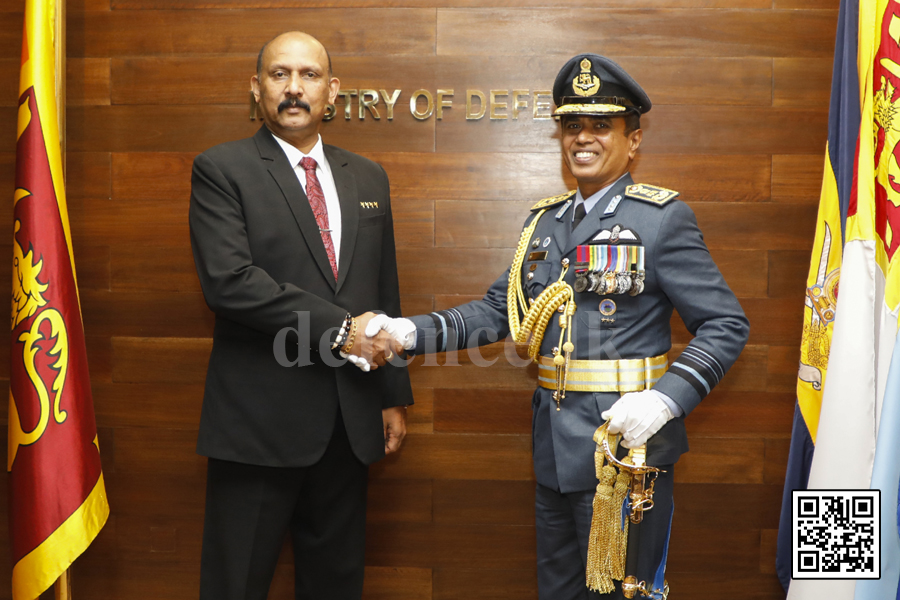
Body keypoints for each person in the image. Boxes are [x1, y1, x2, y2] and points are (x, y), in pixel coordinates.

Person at [366, 54, 749, 599]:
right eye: (572, 126)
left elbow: (725, 324)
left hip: (624, 450)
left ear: (633, 140)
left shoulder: (660, 219)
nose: (583, 138)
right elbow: (501, 311)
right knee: (559, 592)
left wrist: (665, 401)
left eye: (600, 125)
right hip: (553, 450)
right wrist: (406, 333)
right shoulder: (544, 223)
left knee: (622, 593)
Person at [188, 31, 411, 600]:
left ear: (332, 91)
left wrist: (390, 395)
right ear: (256, 88)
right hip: (256, 428)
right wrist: (340, 330)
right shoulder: (222, 170)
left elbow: (382, 289)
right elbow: (230, 283)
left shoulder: (368, 177)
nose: (294, 89)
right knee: (235, 586)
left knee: (336, 587)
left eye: (309, 76)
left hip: (349, 424)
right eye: (279, 75)